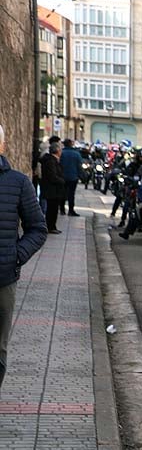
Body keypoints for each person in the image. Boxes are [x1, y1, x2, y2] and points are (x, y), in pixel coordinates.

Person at [0, 124, 48, 392]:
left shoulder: (18, 183)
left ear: (2, 146)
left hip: (3, 278)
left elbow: (37, 229)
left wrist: (15, 256)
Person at [39, 140, 65, 234]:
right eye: (60, 150)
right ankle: (50, 226)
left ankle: (51, 226)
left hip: (53, 190)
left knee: (52, 209)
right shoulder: (51, 161)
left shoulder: (52, 160)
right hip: (52, 190)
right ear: (57, 151)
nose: (61, 152)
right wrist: (62, 181)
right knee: (52, 209)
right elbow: (52, 176)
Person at [59, 139, 83, 217]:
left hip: (62, 176)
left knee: (62, 193)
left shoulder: (61, 153)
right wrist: (81, 175)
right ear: (71, 144)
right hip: (73, 177)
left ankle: (62, 210)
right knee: (71, 194)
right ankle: (71, 210)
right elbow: (79, 165)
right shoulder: (76, 154)